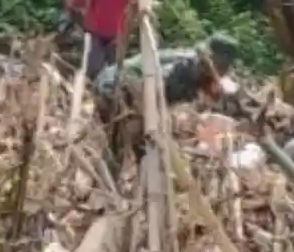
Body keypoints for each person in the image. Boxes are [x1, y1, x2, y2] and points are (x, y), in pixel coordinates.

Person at [94, 33, 237, 174]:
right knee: (130, 142)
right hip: (115, 86)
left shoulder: (192, 65)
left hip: (116, 85)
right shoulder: (188, 68)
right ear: (219, 64)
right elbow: (153, 87)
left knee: (137, 145)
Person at [65, 0, 135, 80]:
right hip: (104, 32)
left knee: (105, 70)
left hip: (109, 32)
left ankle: (93, 82)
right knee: (103, 69)